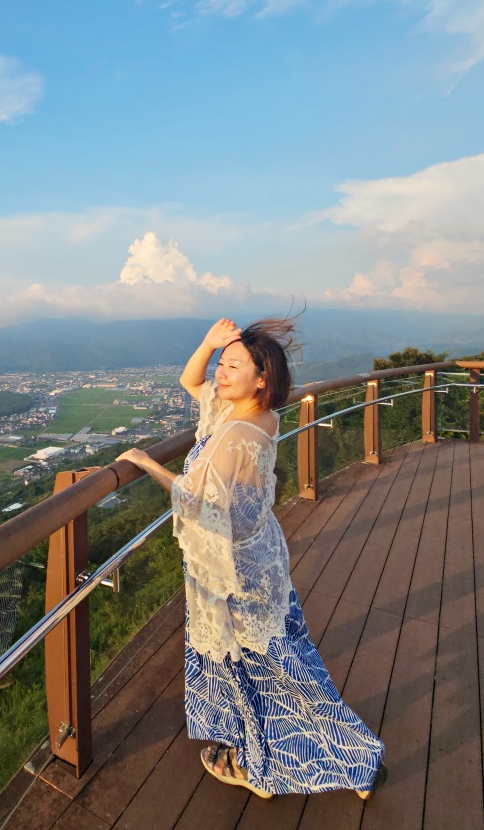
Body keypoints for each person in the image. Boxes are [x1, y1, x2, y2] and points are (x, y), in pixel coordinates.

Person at [117, 317, 386, 799]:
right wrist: (210, 343)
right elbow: (191, 381)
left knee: (265, 672)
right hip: (260, 559)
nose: (220, 373)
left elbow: (194, 501)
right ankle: (325, 757)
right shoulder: (258, 414)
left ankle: (278, 766)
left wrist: (144, 462)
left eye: (233, 365)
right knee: (285, 662)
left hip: (234, 574)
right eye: (222, 364)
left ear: (261, 377)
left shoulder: (234, 433)